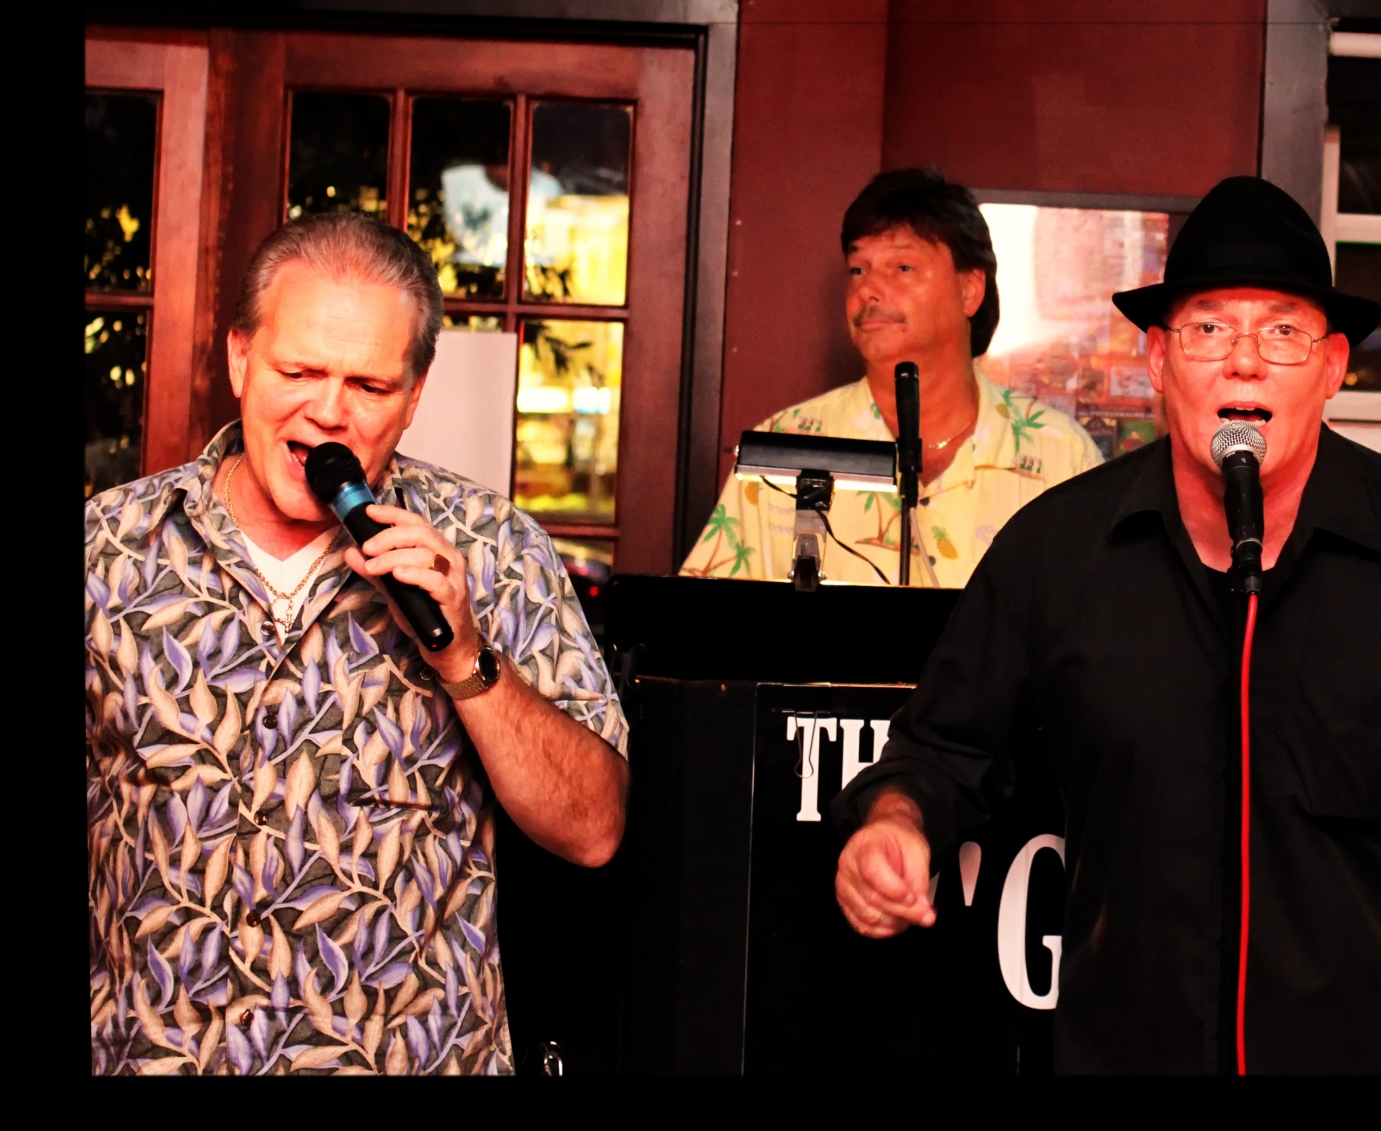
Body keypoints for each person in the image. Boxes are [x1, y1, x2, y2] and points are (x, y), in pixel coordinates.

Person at [830, 177, 1381, 1074]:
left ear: (1333, 367)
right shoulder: (1058, 549)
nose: (1245, 362)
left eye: (1283, 332)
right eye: (1210, 329)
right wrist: (894, 821)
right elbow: (940, 747)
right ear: (1157, 359)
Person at [87, 212, 629, 1076]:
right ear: (240, 358)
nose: (329, 412)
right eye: (298, 371)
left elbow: (593, 828)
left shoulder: (495, 548)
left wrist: (465, 660)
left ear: (414, 397)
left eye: (369, 385)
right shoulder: (108, 550)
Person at [681, 168, 1100, 587]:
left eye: (902, 267)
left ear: (970, 289)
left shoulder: (1058, 455)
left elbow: (1097, 616)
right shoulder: (785, 450)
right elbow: (703, 618)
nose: (869, 290)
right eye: (858, 269)